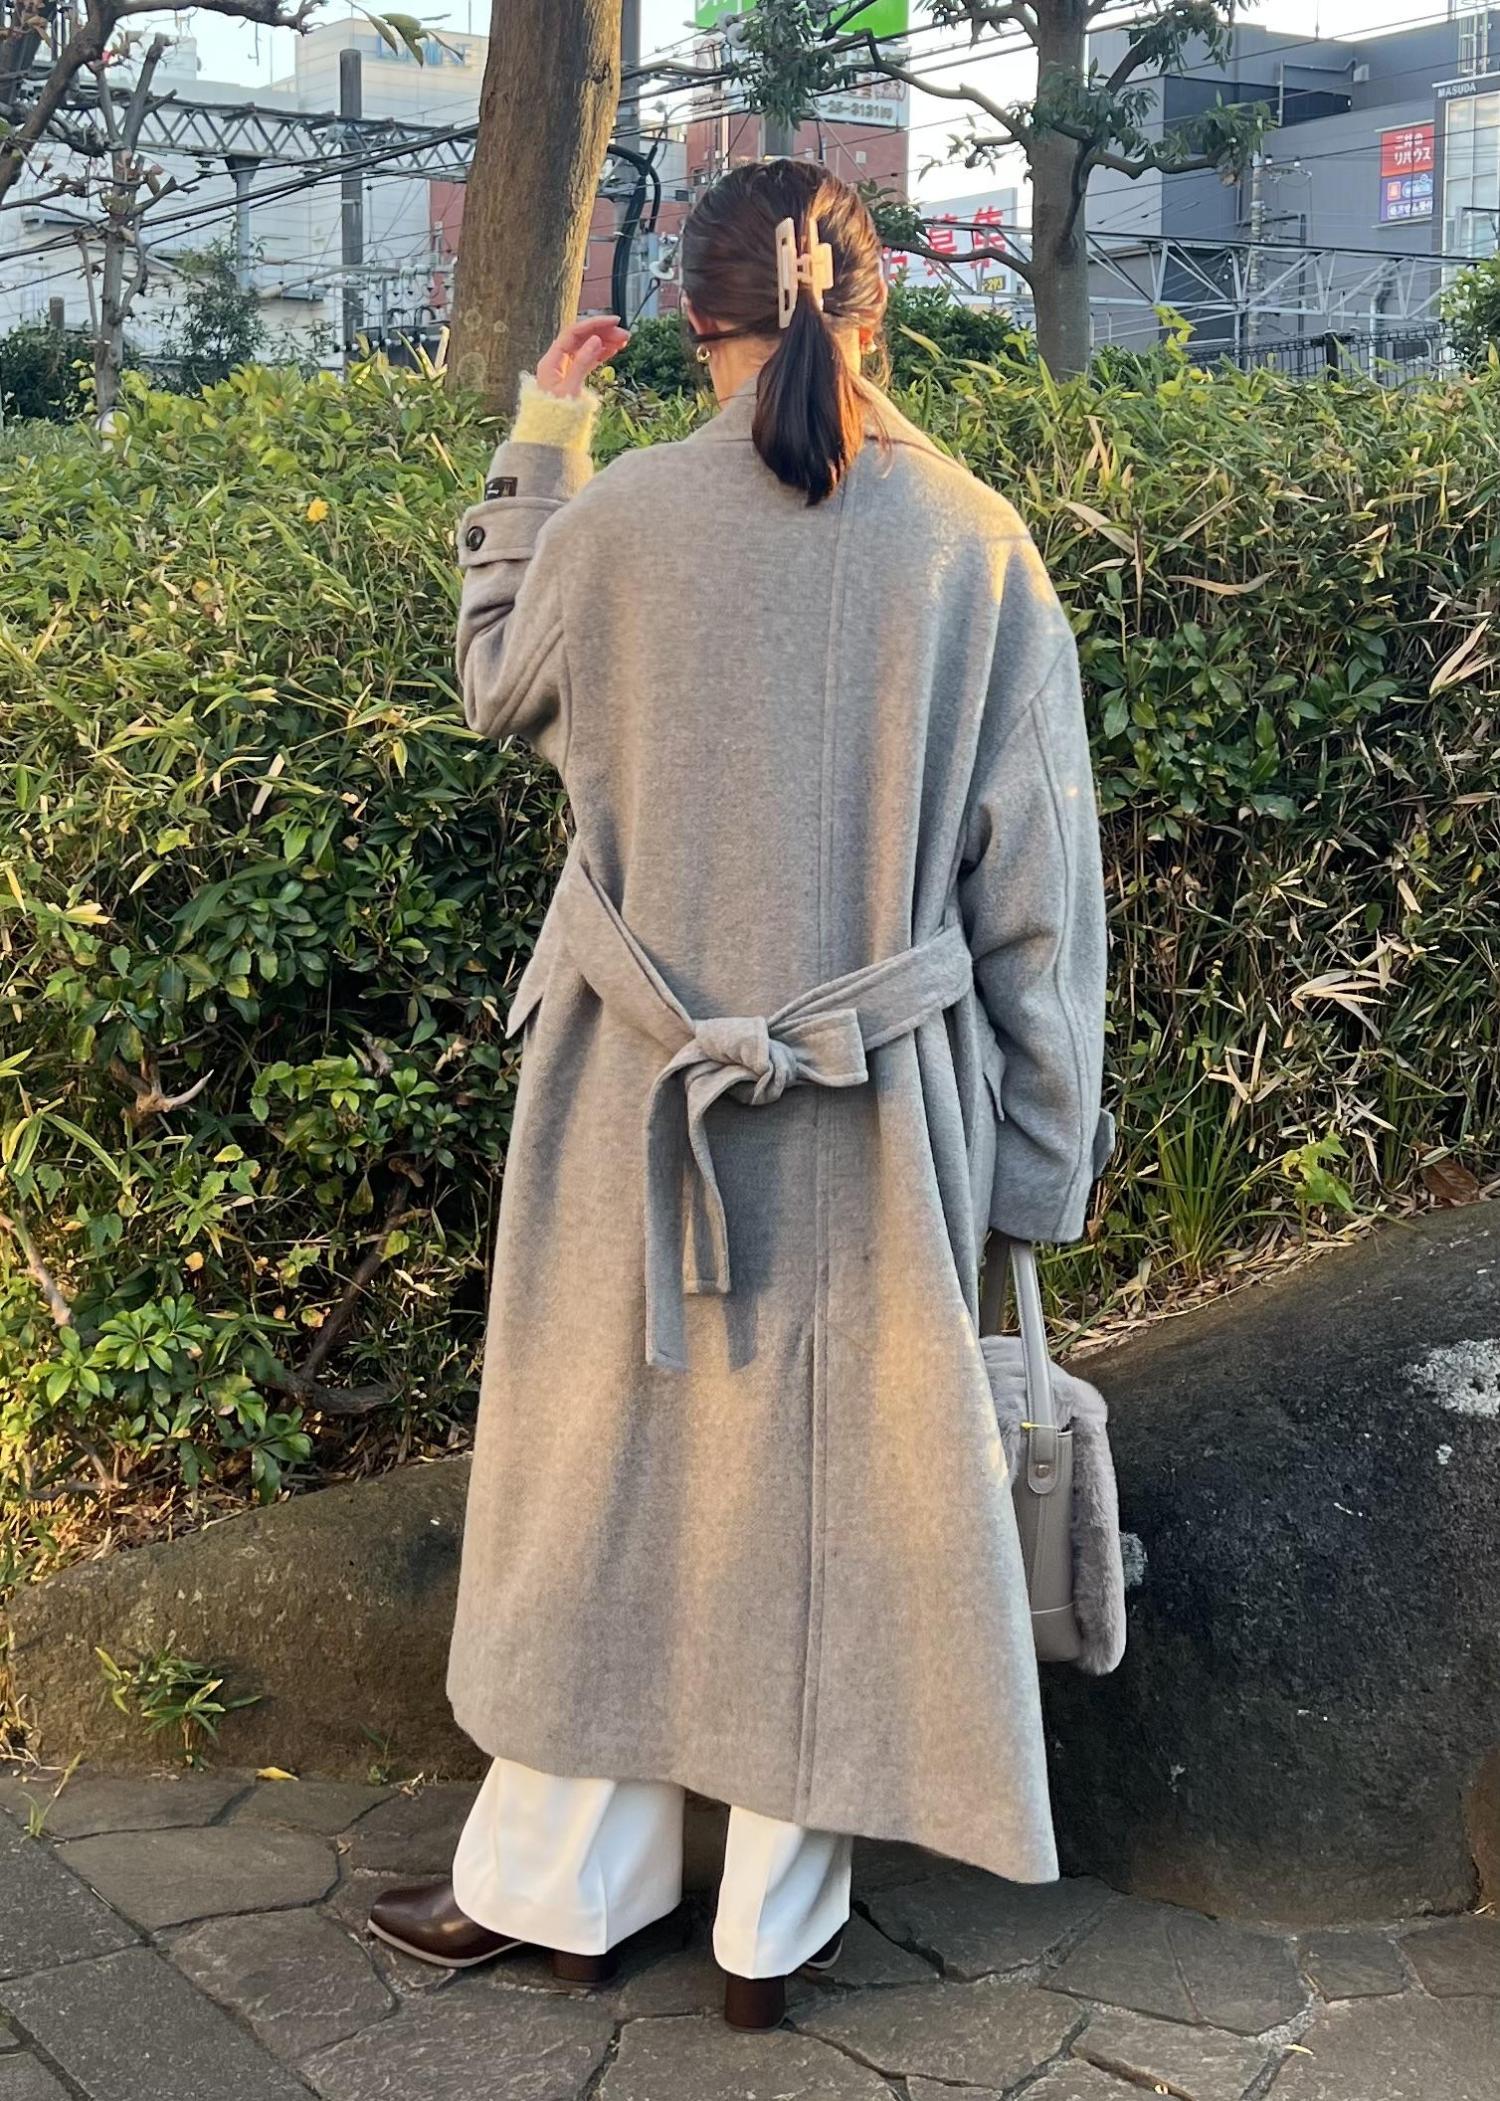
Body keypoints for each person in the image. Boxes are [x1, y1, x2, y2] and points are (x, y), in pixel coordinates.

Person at [368, 157, 1113, 2031]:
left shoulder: (619, 520)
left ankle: (563, 1882)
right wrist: (1038, 1164)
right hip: (877, 1101)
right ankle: (770, 1929)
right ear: (877, 302)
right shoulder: (977, 542)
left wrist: (545, 439)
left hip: (632, 1086)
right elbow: (1043, 901)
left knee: (606, 1479)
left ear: (692, 318)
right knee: (828, 1492)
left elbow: (495, 683)